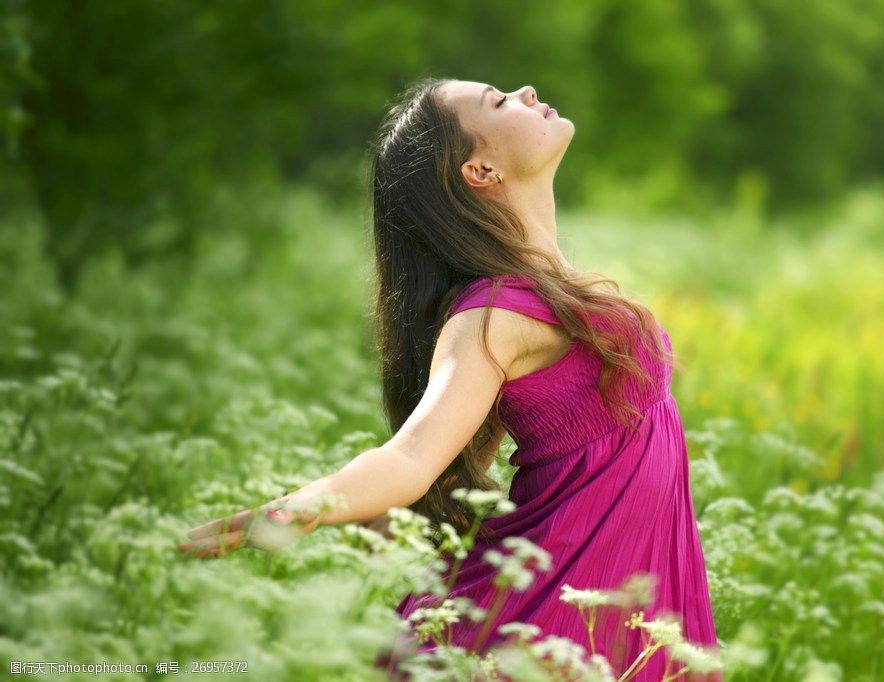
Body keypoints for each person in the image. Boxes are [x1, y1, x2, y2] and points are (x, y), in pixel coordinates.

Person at [178, 78, 722, 681]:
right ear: (480, 170)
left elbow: (470, 457)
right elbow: (414, 456)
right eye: (498, 101)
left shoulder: (557, 288)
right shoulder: (492, 313)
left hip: (634, 586)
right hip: (559, 598)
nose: (527, 90)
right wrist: (289, 512)